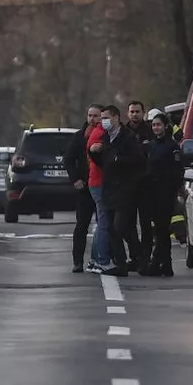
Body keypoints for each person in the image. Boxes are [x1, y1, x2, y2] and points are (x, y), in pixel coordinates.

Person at [91, 105, 145, 277]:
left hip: (125, 190)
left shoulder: (128, 137)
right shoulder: (106, 138)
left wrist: (118, 159)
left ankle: (139, 258)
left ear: (115, 118)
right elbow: (104, 163)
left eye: (106, 118)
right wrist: (93, 153)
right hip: (109, 190)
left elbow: (138, 161)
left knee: (119, 227)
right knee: (115, 229)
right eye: (102, 119)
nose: (103, 122)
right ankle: (122, 264)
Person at [141, 109, 184, 276]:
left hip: (165, 192)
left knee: (162, 229)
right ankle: (166, 264)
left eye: (158, 125)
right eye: (153, 125)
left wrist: (174, 189)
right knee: (160, 230)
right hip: (151, 192)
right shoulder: (151, 145)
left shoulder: (172, 146)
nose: (156, 128)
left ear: (166, 126)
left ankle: (158, 263)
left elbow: (177, 170)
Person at [68, 104, 103, 273]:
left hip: (102, 186)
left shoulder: (106, 135)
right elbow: (68, 159)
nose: (92, 119)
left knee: (104, 225)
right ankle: (77, 261)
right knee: (82, 225)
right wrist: (75, 179)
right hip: (84, 187)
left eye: (95, 116)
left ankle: (100, 259)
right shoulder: (79, 136)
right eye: (90, 115)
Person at [127, 100, 154, 267]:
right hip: (128, 184)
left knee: (146, 223)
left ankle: (145, 256)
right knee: (127, 223)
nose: (135, 114)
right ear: (128, 113)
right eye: (132, 111)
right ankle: (135, 255)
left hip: (146, 184)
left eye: (137, 111)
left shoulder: (150, 131)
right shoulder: (123, 131)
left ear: (143, 113)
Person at [85, 115, 112, 273]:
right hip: (99, 182)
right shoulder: (100, 134)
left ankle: (95, 260)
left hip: (96, 181)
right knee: (104, 223)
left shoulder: (97, 132)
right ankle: (102, 260)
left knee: (101, 222)